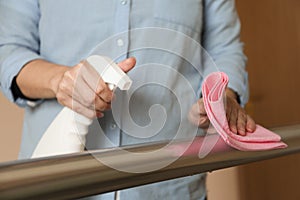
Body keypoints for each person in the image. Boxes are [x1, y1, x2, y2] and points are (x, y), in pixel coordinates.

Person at [0, 0, 255, 199]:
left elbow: (224, 48)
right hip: (57, 183)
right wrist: (60, 80)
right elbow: (8, 49)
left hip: (171, 187)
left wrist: (222, 97)